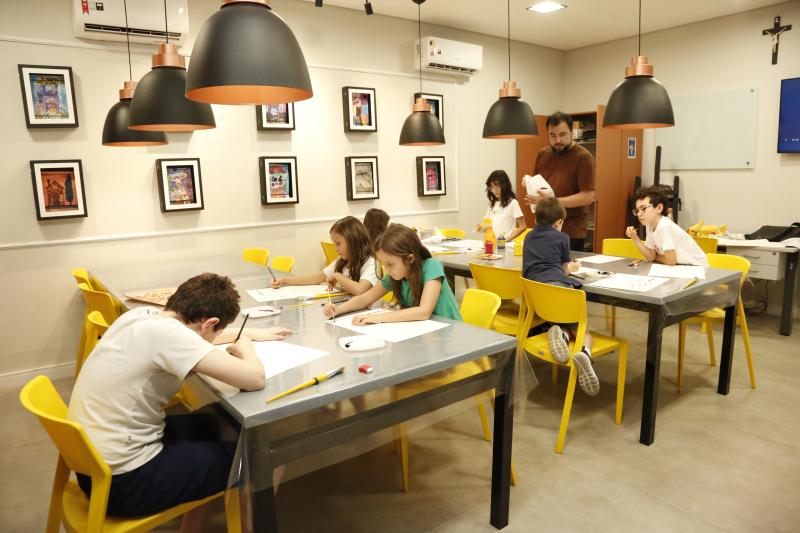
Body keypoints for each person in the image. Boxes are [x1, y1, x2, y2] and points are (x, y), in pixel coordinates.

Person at [67, 273, 290, 525]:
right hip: (124, 483)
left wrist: (247, 333)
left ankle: (193, 526)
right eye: (216, 331)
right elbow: (254, 379)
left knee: (217, 423)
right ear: (210, 323)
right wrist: (246, 348)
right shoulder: (171, 337)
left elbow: (193, 339)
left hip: (95, 466)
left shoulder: (140, 317)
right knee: (266, 456)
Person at [522, 197, 598, 396]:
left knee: (562, 321)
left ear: (536, 219)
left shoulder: (528, 237)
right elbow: (563, 269)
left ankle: (561, 335)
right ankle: (585, 354)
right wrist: (572, 267)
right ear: (559, 222)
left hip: (537, 297)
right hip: (558, 289)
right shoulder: (562, 238)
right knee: (583, 330)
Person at [323, 223, 461, 324]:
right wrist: (338, 309)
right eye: (385, 264)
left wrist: (378, 318)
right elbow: (365, 298)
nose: (387, 270)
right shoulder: (395, 275)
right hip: (425, 331)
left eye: (390, 264)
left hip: (450, 333)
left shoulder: (432, 266)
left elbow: (423, 311)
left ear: (410, 258)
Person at [524, 111, 596, 251]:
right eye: (552, 135)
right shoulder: (543, 154)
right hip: (544, 227)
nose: (557, 140)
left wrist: (553, 201)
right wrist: (528, 182)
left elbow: (588, 197)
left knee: (566, 265)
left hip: (571, 230)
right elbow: (537, 182)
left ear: (571, 132)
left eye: (562, 135)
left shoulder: (583, 157)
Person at [273, 216, 379, 295]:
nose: (336, 249)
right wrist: (285, 280)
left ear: (353, 241)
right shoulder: (343, 261)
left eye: (338, 243)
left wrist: (337, 276)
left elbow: (359, 290)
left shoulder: (371, 263)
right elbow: (314, 278)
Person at [626, 186, 708, 266]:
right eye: (637, 210)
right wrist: (635, 238)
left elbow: (671, 260)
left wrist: (655, 257)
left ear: (659, 208)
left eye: (643, 208)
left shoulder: (664, 226)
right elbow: (651, 256)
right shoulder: (649, 225)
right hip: (682, 267)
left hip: (697, 267)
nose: (639, 214)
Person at [475, 170, 526, 241]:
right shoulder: (491, 205)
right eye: (492, 187)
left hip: (505, 244)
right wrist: (482, 228)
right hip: (491, 242)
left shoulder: (512, 203)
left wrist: (506, 240)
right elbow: (491, 227)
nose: (495, 190)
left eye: (498, 186)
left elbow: (523, 226)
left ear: (505, 186)